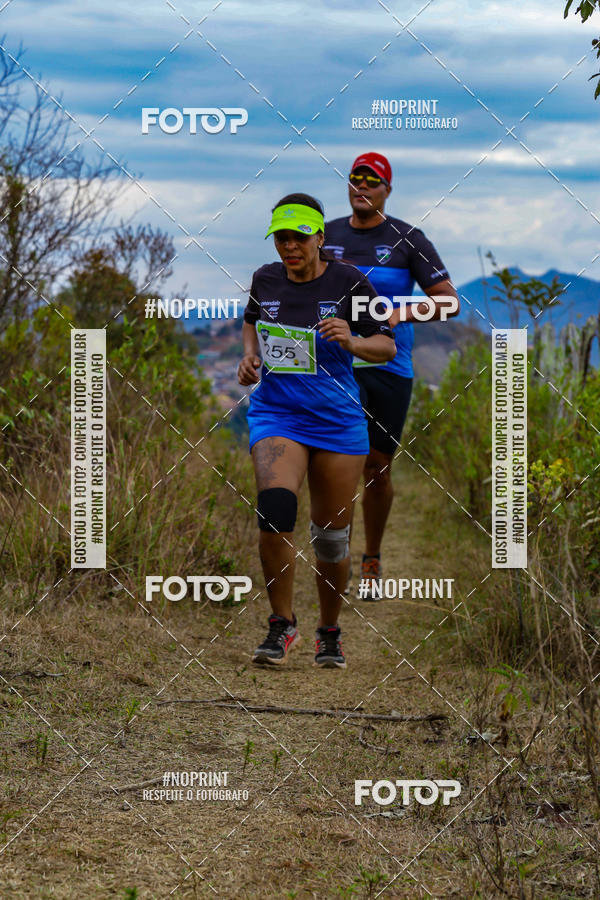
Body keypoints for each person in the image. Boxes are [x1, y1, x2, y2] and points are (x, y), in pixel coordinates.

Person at [238, 193, 395, 667]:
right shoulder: (265, 279)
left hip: (336, 420)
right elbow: (251, 323)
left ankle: (329, 630)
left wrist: (353, 339)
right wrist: (249, 358)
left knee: (330, 537)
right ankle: (281, 625)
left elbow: (385, 346)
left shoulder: (351, 282)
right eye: (282, 238)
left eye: (299, 237)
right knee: (275, 510)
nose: (290, 246)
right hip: (277, 415)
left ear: (320, 238)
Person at [324, 153, 460, 599]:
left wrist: (401, 312)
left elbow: (449, 301)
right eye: (355, 179)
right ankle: (334, 555)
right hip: (336, 365)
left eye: (373, 180)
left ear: (387, 189)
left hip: (389, 368)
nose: (362, 186)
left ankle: (373, 557)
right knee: (336, 464)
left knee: (377, 469)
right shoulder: (329, 235)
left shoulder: (408, 238)